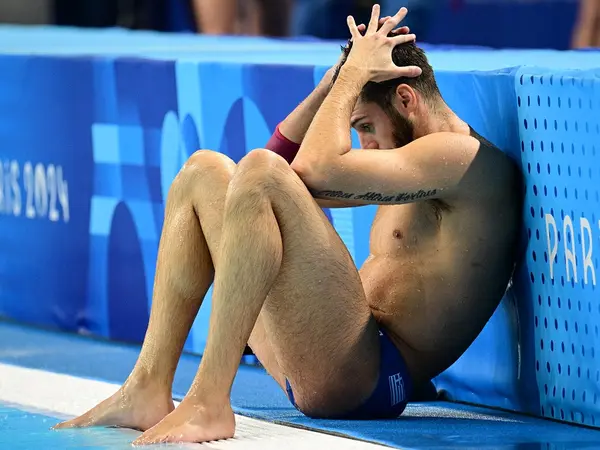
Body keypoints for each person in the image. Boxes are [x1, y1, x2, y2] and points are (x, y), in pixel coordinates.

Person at [53, 5, 523, 445]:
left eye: (365, 126)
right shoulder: (409, 159)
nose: (363, 143)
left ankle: (209, 400)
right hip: (325, 349)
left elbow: (302, 172)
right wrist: (335, 82)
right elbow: (268, 178)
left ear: (405, 98)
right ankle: (148, 386)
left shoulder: (460, 159)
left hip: (373, 377)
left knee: (262, 174)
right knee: (202, 172)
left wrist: (353, 77)